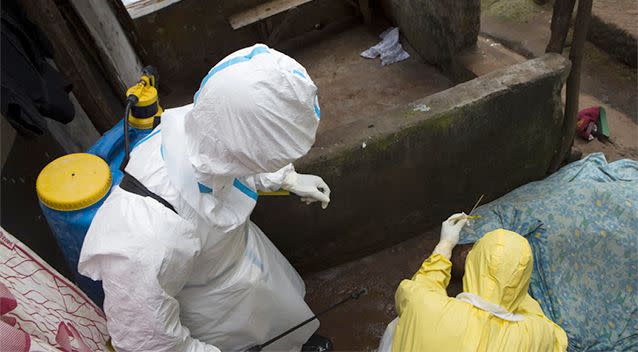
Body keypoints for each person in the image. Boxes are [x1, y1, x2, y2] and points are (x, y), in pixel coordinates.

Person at [79, 44, 331, 352]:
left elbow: (232, 159)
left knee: (281, 324)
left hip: (243, 262)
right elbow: (151, 341)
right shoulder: (147, 235)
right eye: (271, 158)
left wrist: (285, 178)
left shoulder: (210, 126)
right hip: (211, 313)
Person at [379, 213, 568, 352]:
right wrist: (513, 282)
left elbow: (421, 284)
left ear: (472, 263)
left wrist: (445, 244)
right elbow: (556, 338)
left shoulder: (422, 305)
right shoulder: (536, 334)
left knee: (402, 322)